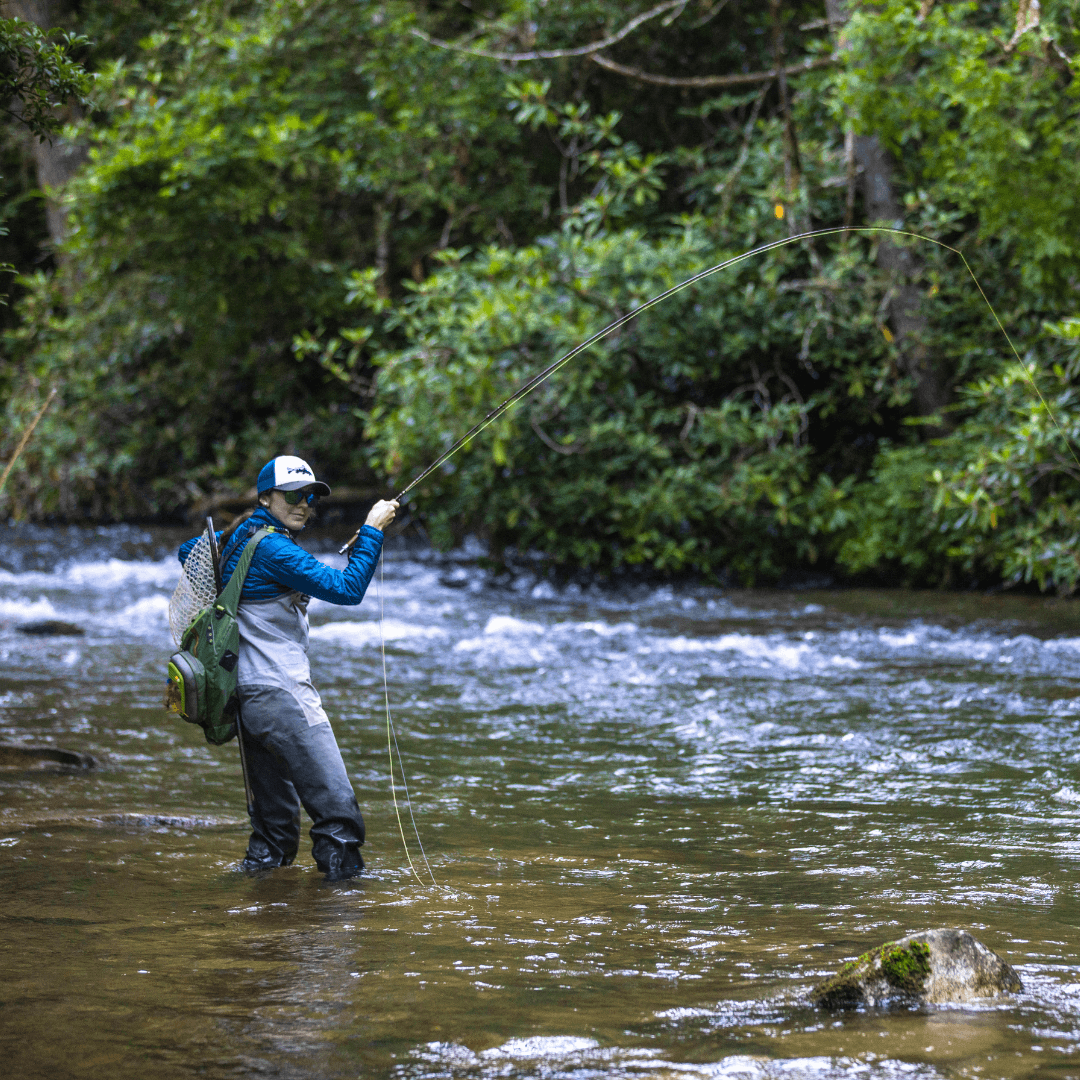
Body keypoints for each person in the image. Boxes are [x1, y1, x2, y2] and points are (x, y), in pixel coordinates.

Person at [177, 455, 398, 881]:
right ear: (266, 497)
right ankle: (341, 925)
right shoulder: (275, 547)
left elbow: (187, 550)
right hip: (282, 697)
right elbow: (348, 589)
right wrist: (372, 530)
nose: (304, 504)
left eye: (311, 497)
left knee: (274, 835)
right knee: (339, 819)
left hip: (246, 700)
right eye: (293, 496)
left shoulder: (245, 533)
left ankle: (262, 922)